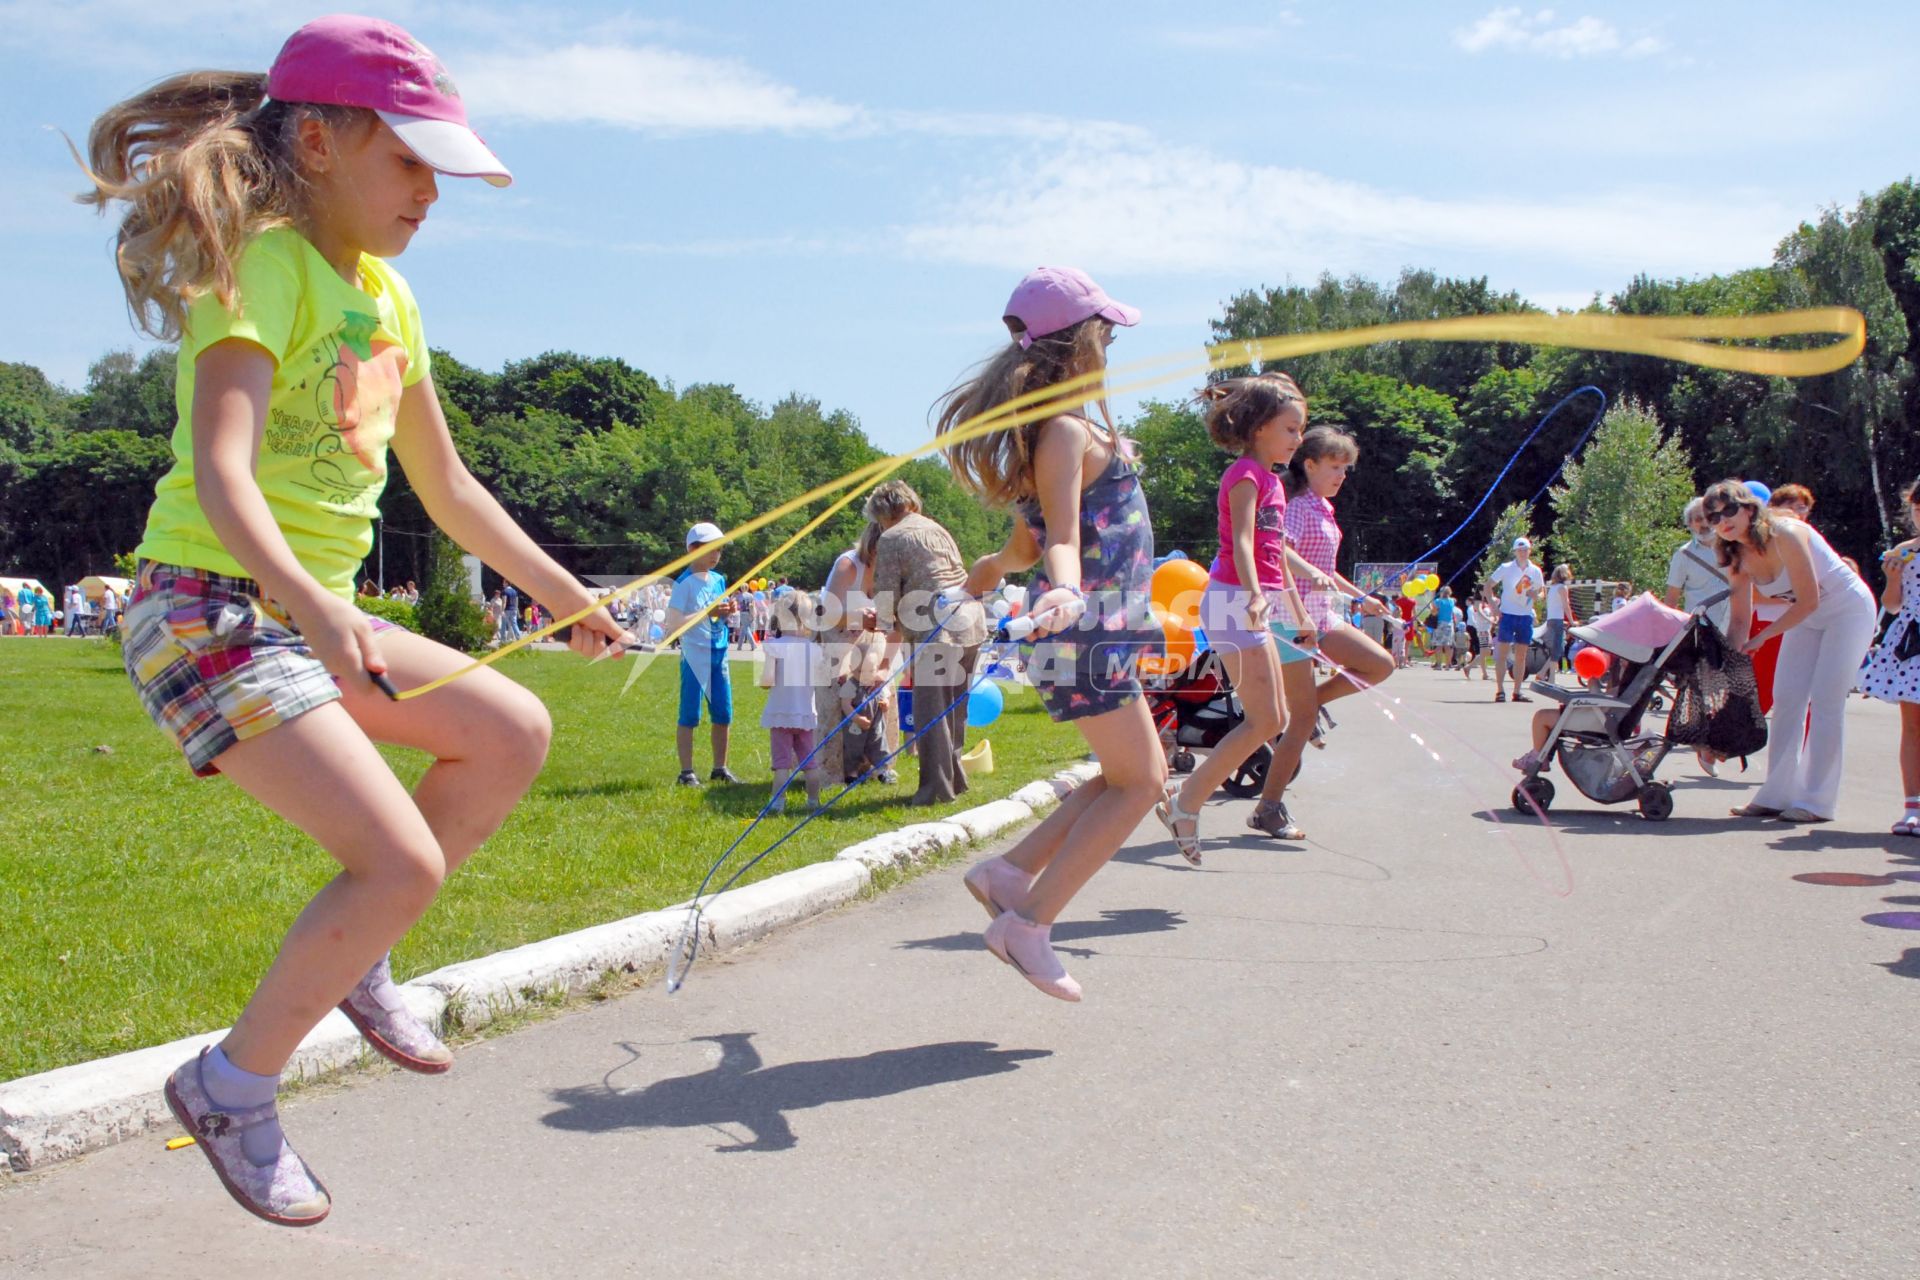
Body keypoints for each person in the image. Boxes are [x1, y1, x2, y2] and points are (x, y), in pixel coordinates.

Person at [84, 15, 633, 1227]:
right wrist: (324, 608)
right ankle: (231, 1086)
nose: (432, 193)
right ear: (320, 141)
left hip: (302, 616)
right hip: (207, 608)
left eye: (443, 169)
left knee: (510, 729)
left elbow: (449, 489)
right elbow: (223, 476)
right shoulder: (257, 266)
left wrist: (562, 591)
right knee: (399, 857)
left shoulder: (389, 296)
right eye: (412, 161)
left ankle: (362, 954)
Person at [947, 265, 1161, 1002]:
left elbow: (1025, 548)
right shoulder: (1065, 432)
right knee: (1145, 783)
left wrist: (985, 573)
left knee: (1120, 778)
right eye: (1106, 333)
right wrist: (1067, 586)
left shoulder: (1067, 431)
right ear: (1079, 346)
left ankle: (1008, 875)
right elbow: (1061, 541)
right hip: (1085, 634)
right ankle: (1028, 924)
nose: (1111, 345)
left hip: (1092, 633)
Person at [1158, 375, 1307, 856]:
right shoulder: (1245, 475)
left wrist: (1297, 613)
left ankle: (1187, 801)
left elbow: (1274, 555)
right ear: (1260, 428)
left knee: (1273, 717)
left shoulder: (1273, 482)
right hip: (1231, 599)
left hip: (1248, 599)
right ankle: (1186, 802)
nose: (1297, 438)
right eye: (1290, 428)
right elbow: (1242, 541)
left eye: (1300, 429)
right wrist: (1254, 595)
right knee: (1266, 719)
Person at [1707, 481, 1877, 823]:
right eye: (1712, 516)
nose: (1722, 520)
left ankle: (1817, 801)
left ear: (1750, 509)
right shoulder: (1734, 556)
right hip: (1805, 617)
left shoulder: (1785, 532)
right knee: (1787, 699)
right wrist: (1730, 657)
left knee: (1826, 699)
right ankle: (1777, 793)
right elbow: (1740, 620)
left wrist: (1763, 638)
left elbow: (1810, 599)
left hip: (1846, 610)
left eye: (1729, 510)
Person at [868, 478, 989, 806]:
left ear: (884, 513)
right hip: (970, 622)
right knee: (955, 709)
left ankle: (936, 788)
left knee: (931, 711)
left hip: (936, 630)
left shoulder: (892, 537)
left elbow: (886, 590)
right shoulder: (938, 529)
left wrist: (879, 622)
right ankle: (955, 780)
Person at [1859, 477, 1920, 834]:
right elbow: (1894, 605)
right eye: (1916, 508)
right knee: (1912, 727)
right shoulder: (1904, 551)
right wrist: (1892, 578)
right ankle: (1912, 807)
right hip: (1912, 643)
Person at [664, 522, 739, 786]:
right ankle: (686, 772)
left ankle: (720, 768)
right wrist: (708, 613)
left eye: (719, 549)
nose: (716, 554)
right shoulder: (684, 584)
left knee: (723, 713)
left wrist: (726, 611)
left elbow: (716, 614)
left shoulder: (718, 580)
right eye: (710, 549)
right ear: (693, 550)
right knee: (690, 714)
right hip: (695, 656)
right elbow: (674, 624)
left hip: (719, 653)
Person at [755, 590, 827, 814]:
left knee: (782, 764)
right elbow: (821, 679)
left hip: (780, 713)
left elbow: (767, 681)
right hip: (806, 714)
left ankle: (777, 803)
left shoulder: (774, 646)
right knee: (810, 765)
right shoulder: (815, 650)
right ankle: (813, 802)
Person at [1487, 538, 1542, 703]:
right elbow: (1487, 586)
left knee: (1521, 655)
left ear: (1529, 551)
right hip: (1508, 614)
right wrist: (1494, 608)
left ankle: (1517, 692)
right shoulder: (1506, 568)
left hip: (1525, 615)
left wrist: (1536, 595)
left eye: (1525, 549)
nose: (1523, 552)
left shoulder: (1535, 570)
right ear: (1515, 552)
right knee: (1502, 654)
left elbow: (1541, 592)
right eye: (1520, 550)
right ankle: (1500, 690)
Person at [1541, 565, 1578, 682]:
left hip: (1551, 620)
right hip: (1557, 621)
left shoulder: (1552, 588)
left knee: (1557, 649)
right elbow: (1566, 606)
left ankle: (1546, 674)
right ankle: (1548, 675)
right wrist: (1572, 621)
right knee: (1558, 649)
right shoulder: (1562, 587)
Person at [1428, 586, 1458, 670]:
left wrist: (1431, 608)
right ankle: (1448, 664)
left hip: (1440, 624)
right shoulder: (1452, 601)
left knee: (1439, 645)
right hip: (1449, 624)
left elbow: (1434, 613)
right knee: (1448, 645)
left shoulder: (1437, 601)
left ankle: (1439, 665)